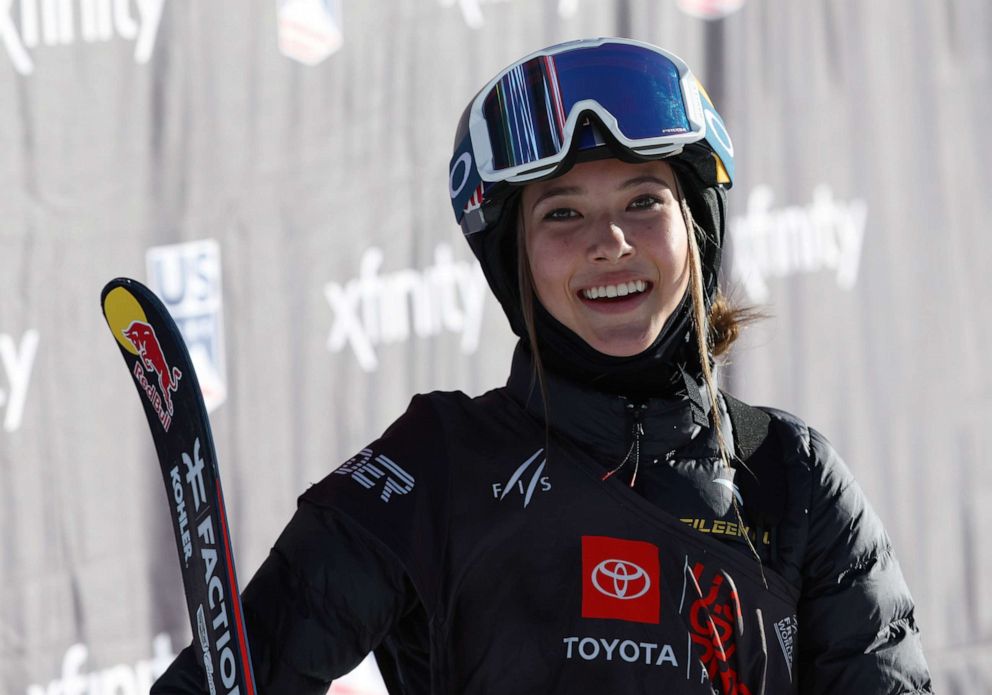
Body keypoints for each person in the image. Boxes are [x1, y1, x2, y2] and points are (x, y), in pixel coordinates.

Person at [153, 37, 933, 695]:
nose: (610, 242)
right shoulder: (439, 462)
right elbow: (242, 666)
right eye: (562, 213)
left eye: (643, 201)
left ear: (696, 231)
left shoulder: (791, 479)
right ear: (515, 259)